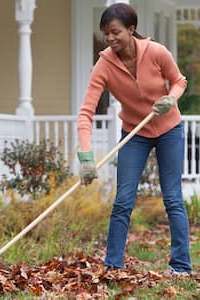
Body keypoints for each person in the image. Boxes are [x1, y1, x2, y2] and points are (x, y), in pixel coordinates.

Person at [77, 3, 191, 276]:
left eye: (115, 32)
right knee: (123, 200)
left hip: (169, 129)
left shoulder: (156, 52)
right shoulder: (104, 64)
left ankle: (181, 266)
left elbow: (179, 81)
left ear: (131, 30)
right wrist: (86, 156)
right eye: (106, 33)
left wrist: (170, 99)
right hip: (135, 133)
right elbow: (86, 113)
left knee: (173, 198)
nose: (110, 38)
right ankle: (113, 265)